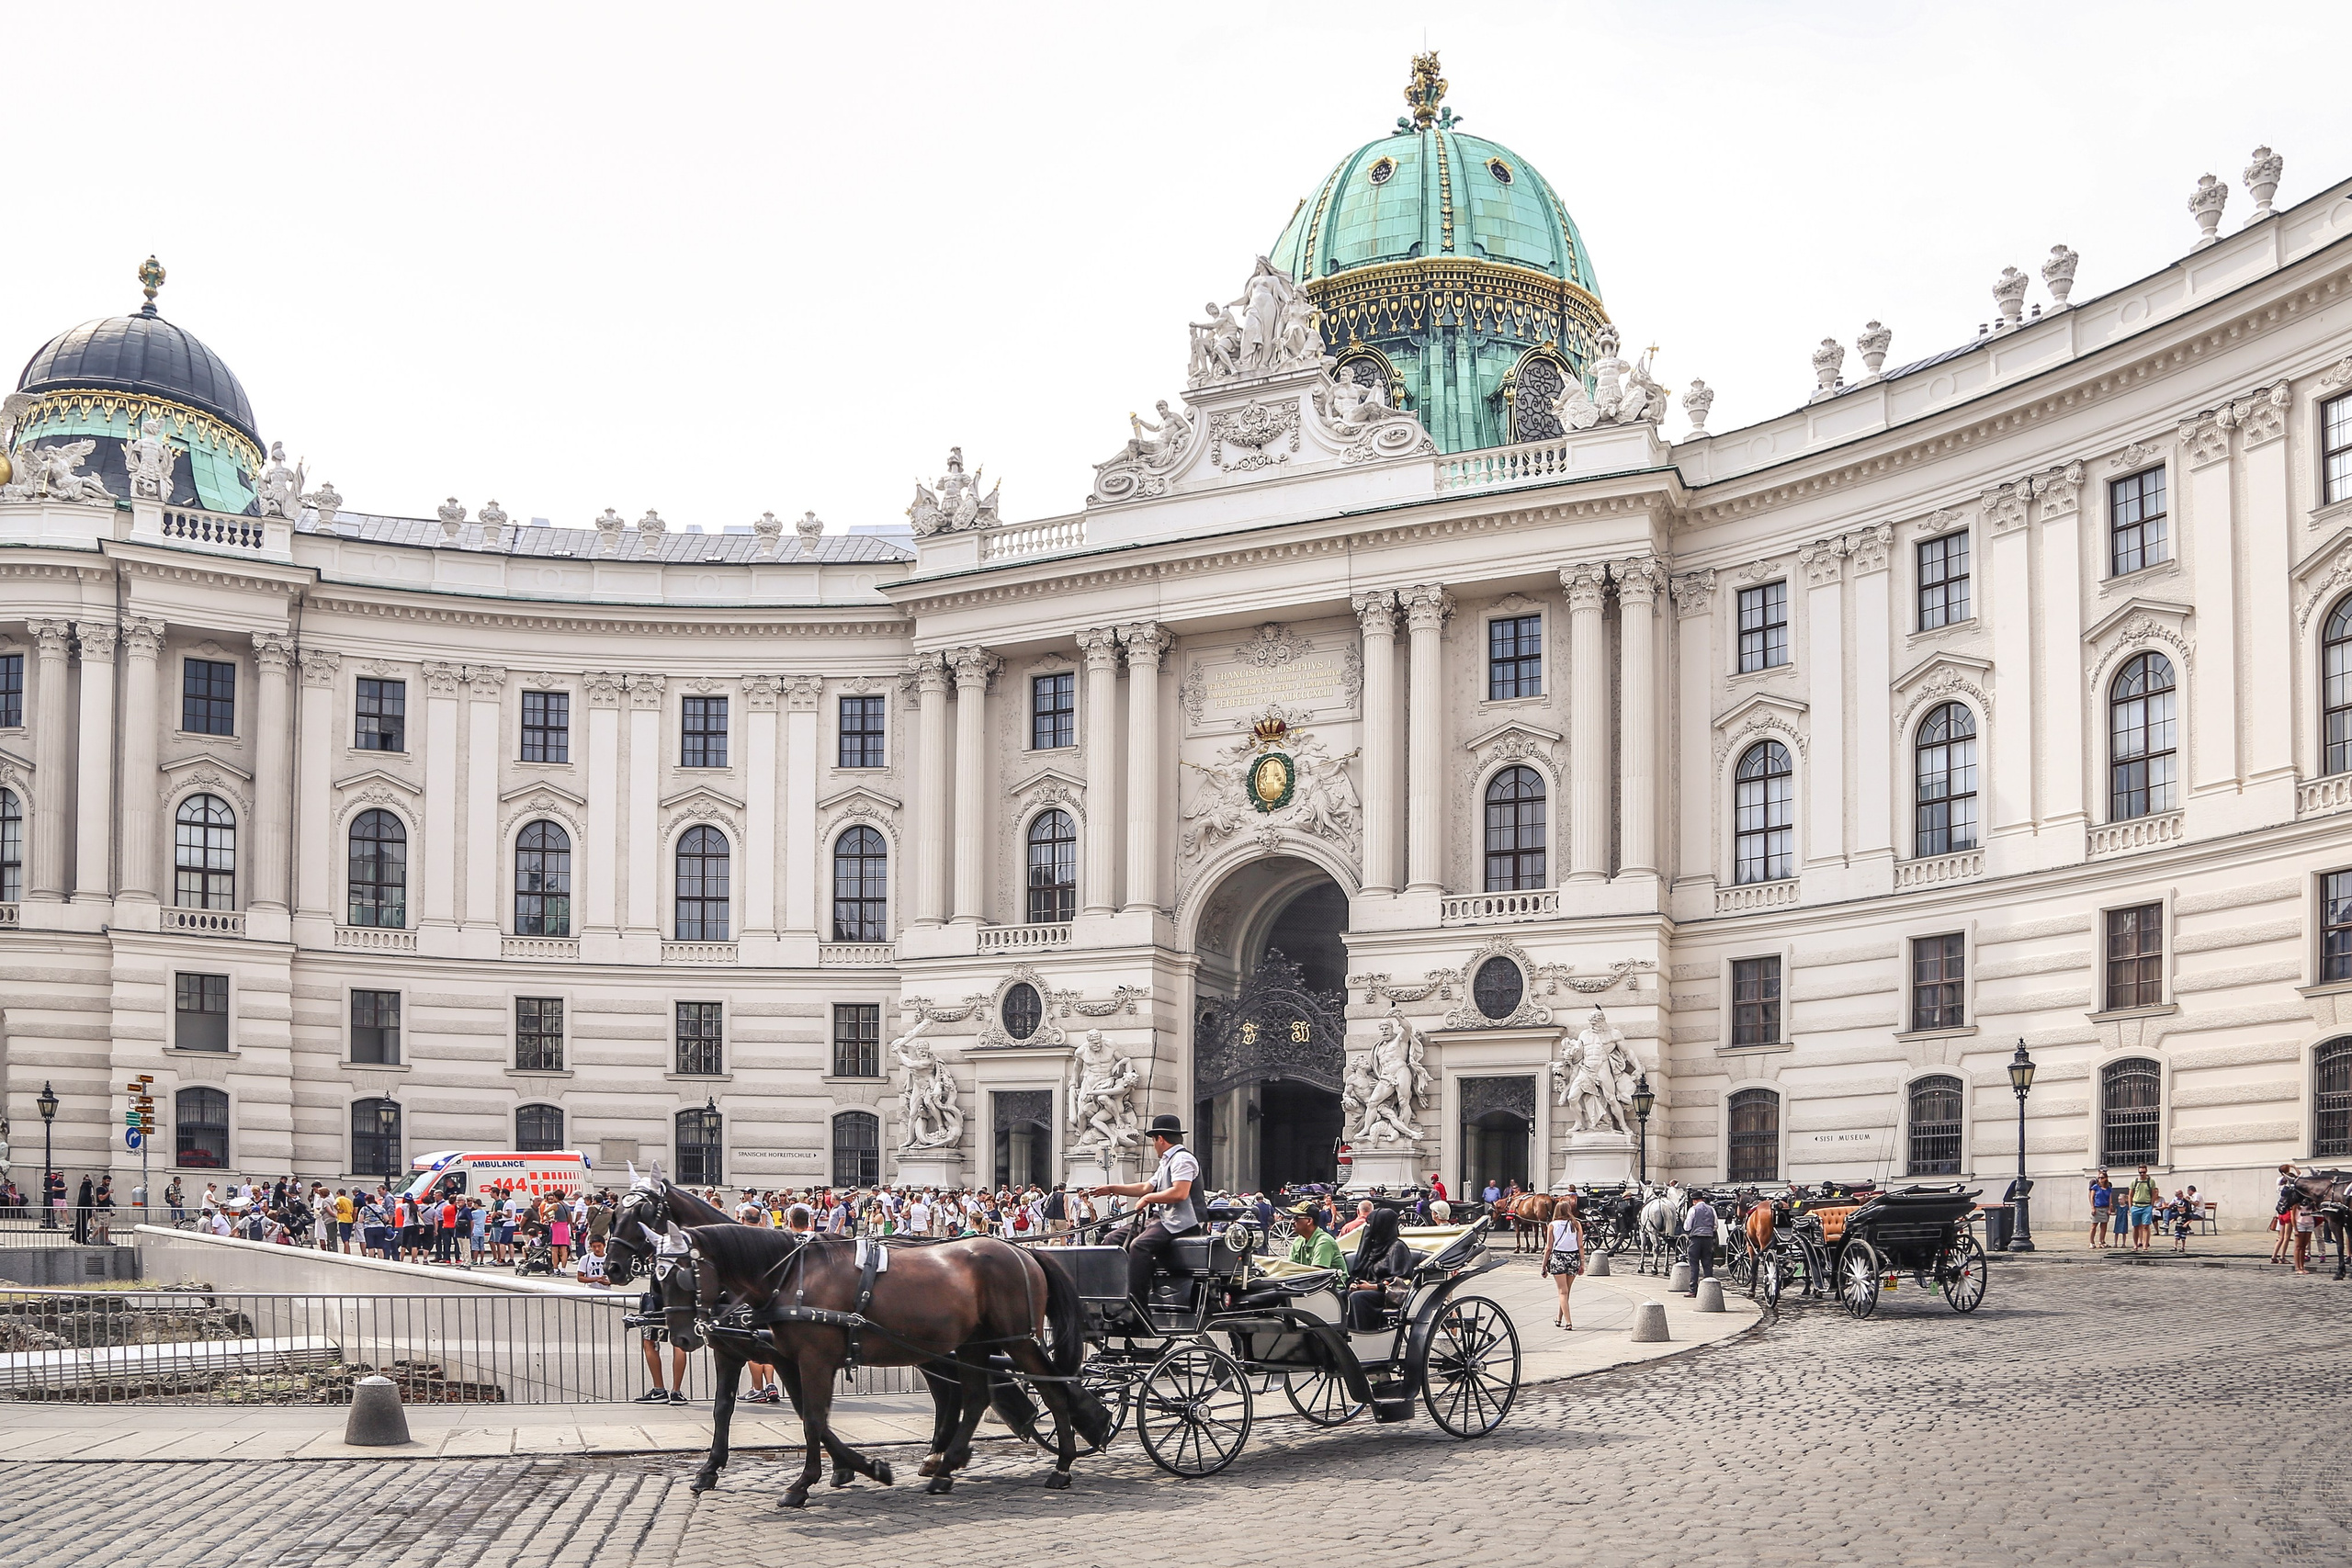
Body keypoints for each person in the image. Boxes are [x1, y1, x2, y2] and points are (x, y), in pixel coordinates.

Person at [1090, 1113, 1201, 1319]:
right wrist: (1112, 1188)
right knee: (1111, 1239)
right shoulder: (1167, 1161)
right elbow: (1145, 1187)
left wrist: (1148, 1199)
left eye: (1153, 1141)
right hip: (1162, 1220)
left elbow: (1180, 1193)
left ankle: (1137, 1307)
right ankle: (1112, 1296)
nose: (1153, 1146)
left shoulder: (1183, 1159)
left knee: (1139, 1245)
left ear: (1160, 1139)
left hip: (1181, 1222)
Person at [639, 1228, 693, 1405]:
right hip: (681, 1308)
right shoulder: (684, 1263)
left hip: (657, 1304)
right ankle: (676, 1391)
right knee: (679, 1346)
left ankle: (659, 1389)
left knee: (649, 1343)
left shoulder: (661, 1261)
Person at [1544, 1195, 1584, 1329]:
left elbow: (1549, 1247)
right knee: (1566, 1291)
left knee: (1562, 1292)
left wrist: (1544, 1265)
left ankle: (1568, 1322)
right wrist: (1582, 1263)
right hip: (1573, 1258)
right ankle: (1559, 1318)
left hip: (1558, 1257)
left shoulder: (1552, 1225)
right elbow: (1580, 1245)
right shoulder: (1576, 1224)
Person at [1284, 1201, 1344, 1271]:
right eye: (1292, 1217)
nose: (1292, 1221)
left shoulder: (1324, 1242)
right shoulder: (1298, 1241)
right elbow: (1289, 1269)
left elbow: (1316, 1276)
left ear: (1309, 1221)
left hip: (1331, 1282)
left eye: (1296, 1217)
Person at [1683, 1191, 1719, 1295]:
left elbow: (1687, 1227)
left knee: (1694, 1264)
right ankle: (1708, 1289)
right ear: (1702, 1199)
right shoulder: (1711, 1209)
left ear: (1694, 1201)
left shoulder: (1693, 1209)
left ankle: (1693, 1290)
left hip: (1696, 1239)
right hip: (1708, 1239)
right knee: (1707, 1263)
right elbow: (1715, 1226)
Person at [2126, 1166, 2160, 1252]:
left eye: (2143, 1172)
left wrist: (2151, 1205)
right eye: (2140, 1172)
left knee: (2146, 1226)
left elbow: (2153, 1194)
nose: (2142, 1174)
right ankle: (2135, 1245)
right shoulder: (2135, 1181)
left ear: (2146, 1172)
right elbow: (2130, 1195)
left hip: (2146, 1206)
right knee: (2136, 1226)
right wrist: (2130, 1207)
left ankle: (2145, 1245)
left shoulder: (2150, 1181)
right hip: (2136, 1206)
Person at [2088, 1170, 2113, 1249]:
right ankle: (2091, 1242)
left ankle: (2101, 1241)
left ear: (2106, 1178)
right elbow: (2092, 1198)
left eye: (2102, 1178)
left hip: (2105, 1208)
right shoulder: (2095, 1187)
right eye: (2099, 1178)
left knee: (2104, 1226)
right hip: (2097, 1208)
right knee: (2094, 1226)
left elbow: (2110, 1199)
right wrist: (2093, 1207)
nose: (2100, 1179)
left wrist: (2110, 1208)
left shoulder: (2108, 1188)